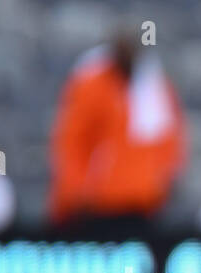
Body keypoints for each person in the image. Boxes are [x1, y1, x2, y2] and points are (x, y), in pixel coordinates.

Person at [48, 31, 187, 232]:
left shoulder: (154, 90)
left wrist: (160, 185)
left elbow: (169, 141)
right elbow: (72, 140)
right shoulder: (91, 85)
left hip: (141, 204)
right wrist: (77, 189)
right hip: (94, 203)